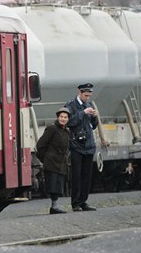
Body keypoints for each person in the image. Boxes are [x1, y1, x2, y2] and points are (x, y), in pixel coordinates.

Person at [64, 83, 99, 212]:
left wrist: (94, 117)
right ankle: (75, 203)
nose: (87, 98)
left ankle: (83, 201)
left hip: (88, 146)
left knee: (86, 176)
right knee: (76, 176)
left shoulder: (89, 105)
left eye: (89, 96)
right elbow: (69, 122)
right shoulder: (71, 105)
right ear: (80, 92)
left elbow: (93, 126)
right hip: (76, 146)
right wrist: (83, 113)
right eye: (85, 96)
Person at [36, 107, 71, 214]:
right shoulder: (52, 129)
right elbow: (40, 145)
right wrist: (45, 158)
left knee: (58, 184)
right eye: (61, 117)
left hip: (61, 162)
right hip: (51, 162)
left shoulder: (67, 131)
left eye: (65, 117)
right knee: (53, 185)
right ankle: (54, 206)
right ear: (57, 117)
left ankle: (54, 206)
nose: (63, 119)